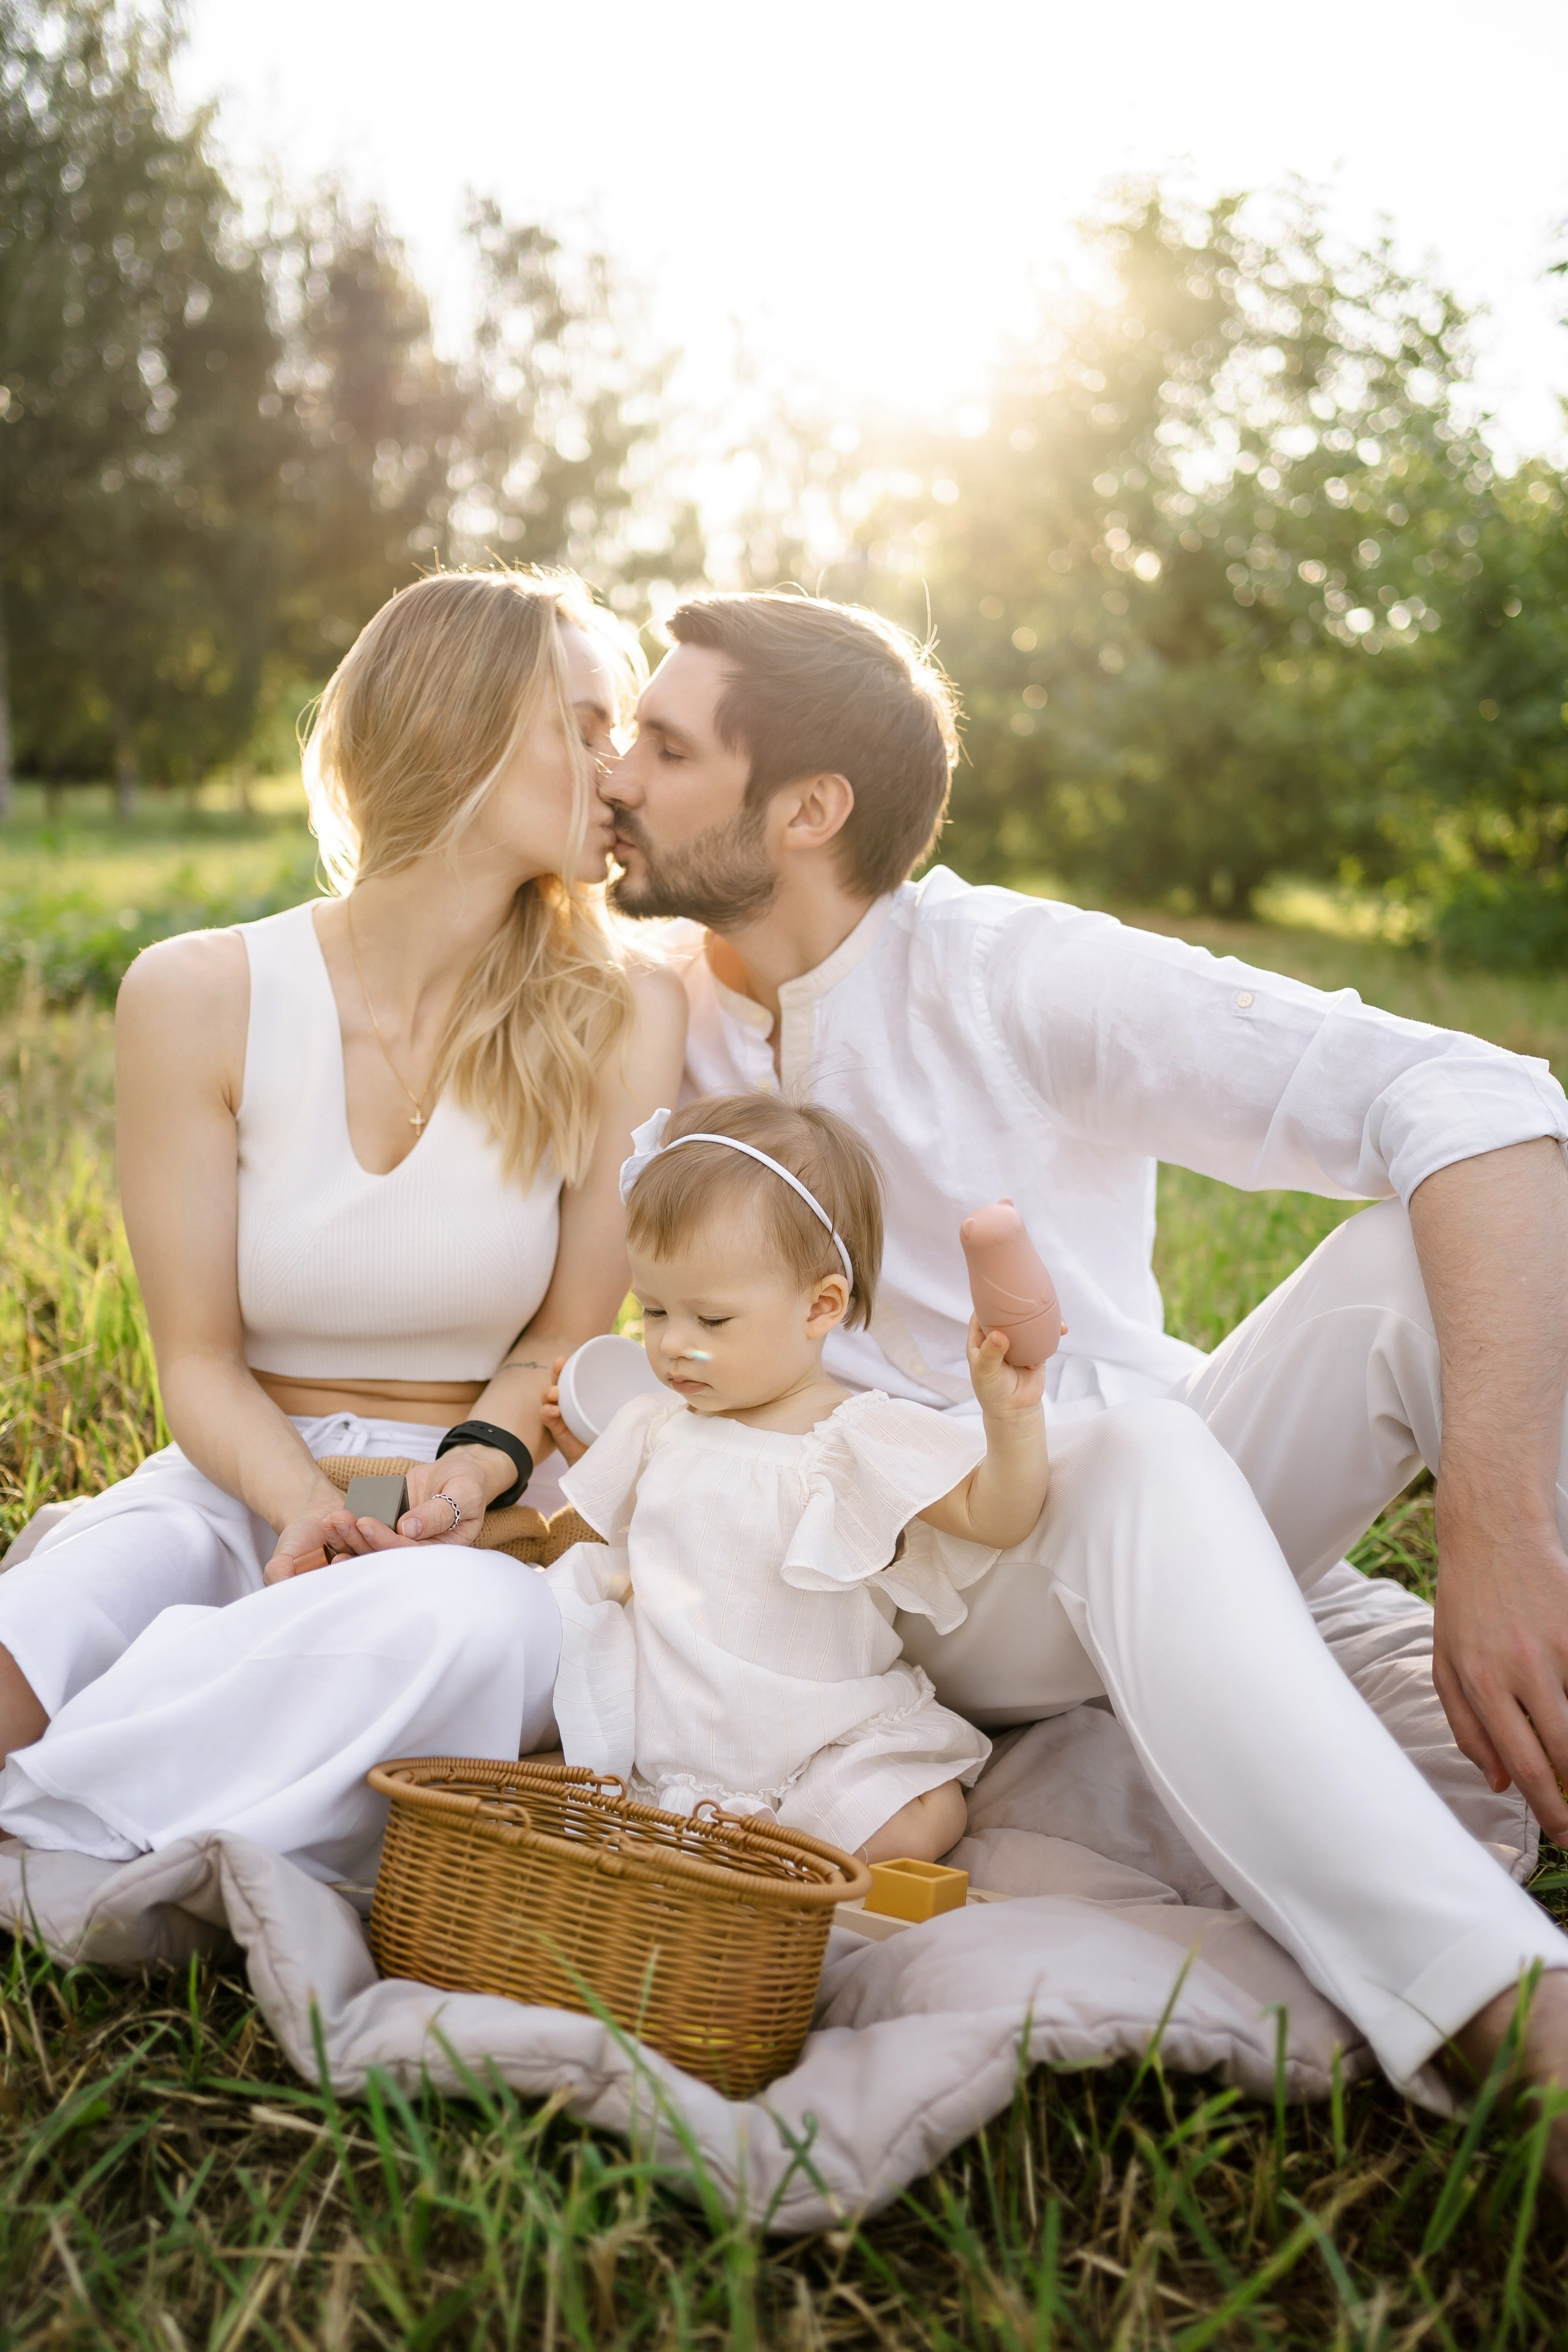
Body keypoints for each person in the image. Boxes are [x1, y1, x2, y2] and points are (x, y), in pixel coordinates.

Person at [594, 589, 1568, 2138]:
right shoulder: (643, 1008)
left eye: (658, 743)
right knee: (1136, 1450)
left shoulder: (1008, 972)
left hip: (1127, 1490)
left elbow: (1480, 1103)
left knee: (1399, 1269)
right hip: (910, 1578)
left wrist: (1498, 1527)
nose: (612, 773)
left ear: (804, 810)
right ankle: (1503, 2014)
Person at [0, 567, 686, 1765]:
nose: (617, 773)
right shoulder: (196, 994)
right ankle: (135, 1761)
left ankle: (65, 1807)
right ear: (448, 729)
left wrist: (456, 1490)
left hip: (463, 1513)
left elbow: (564, 1346)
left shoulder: (623, 1012)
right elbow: (200, 1361)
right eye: (582, 731)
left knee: (447, 1635)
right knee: (40, 1633)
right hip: (243, 1479)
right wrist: (310, 1505)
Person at [546, 1093, 1046, 1861]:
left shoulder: (852, 1437)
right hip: (672, 1730)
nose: (674, 1344)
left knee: (920, 1812)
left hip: (817, 1740)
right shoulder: (657, 1425)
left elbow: (994, 1515)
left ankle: (786, 1865)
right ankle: (698, 1841)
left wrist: (1009, 1420)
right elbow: (596, 1535)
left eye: (710, 1321)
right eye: (652, 1312)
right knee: (555, 1742)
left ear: (820, 1306)